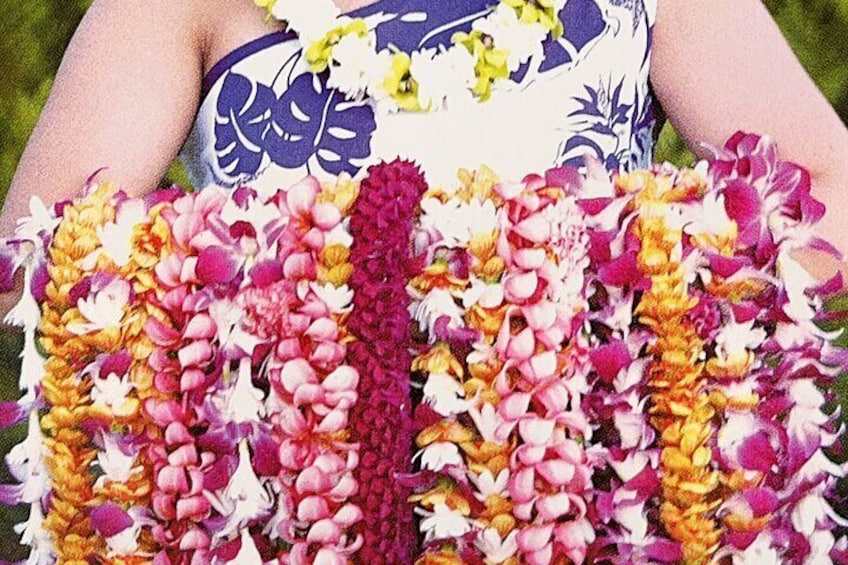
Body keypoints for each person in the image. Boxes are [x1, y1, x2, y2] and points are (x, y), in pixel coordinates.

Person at [1, 0, 847, 304]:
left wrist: (643, 309)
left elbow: (825, 188)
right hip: (282, 492)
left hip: (585, 486)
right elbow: (42, 250)